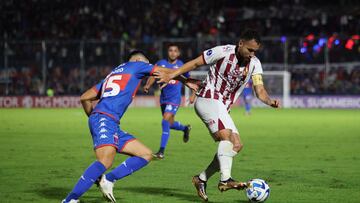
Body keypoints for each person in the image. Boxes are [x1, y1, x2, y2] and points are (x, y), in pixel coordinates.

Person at [154, 29, 280, 201]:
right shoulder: (223, 51)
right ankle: (225, 180)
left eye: (255, 51)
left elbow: (260, 90)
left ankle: (201, 179)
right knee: (227, 138)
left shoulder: (255, 64)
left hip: (222, 106)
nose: (252, 54)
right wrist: (172, 74)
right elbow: (195, 63)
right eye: (250, 50)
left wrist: (269, 101)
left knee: (236, 145)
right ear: (241, 43)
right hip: (207, 97)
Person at [62, 51, 198, 203]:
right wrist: (186, 81)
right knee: (105, 161)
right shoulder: (136, 65)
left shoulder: (112, 75)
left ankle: (108, 180)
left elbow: (85, 97)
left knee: (145, 154)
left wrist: (94, 117)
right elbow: (164, 70)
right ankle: (70, 200)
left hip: (110, 122)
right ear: (139, 60)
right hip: (106, 120)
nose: (149, 68)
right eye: (147, 64)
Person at [143, 44, 191, 159]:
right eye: (170, 50)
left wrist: (193, 95)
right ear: (167, 52)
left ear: (178, 53)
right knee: (169, 124)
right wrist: (148, 85)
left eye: (175, 51)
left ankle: (161, 151)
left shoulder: (181, 65)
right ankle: (185, 128)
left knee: (165, 121)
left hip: (175, 98)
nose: (173, 53)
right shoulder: (161, 63)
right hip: (164, 98)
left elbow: (189, 80)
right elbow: (153, 75)